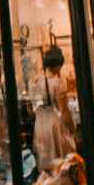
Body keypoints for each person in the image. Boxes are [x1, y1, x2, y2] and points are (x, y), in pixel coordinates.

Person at [31, 45, 76, 173]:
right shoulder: (58, 82)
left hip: (39, 126)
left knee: (45, 164)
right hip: (54, 126)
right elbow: (64, 110)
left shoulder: (36, 82)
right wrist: (72, 130)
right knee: (61, 164)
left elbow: (34, 107)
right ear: (57, 65)